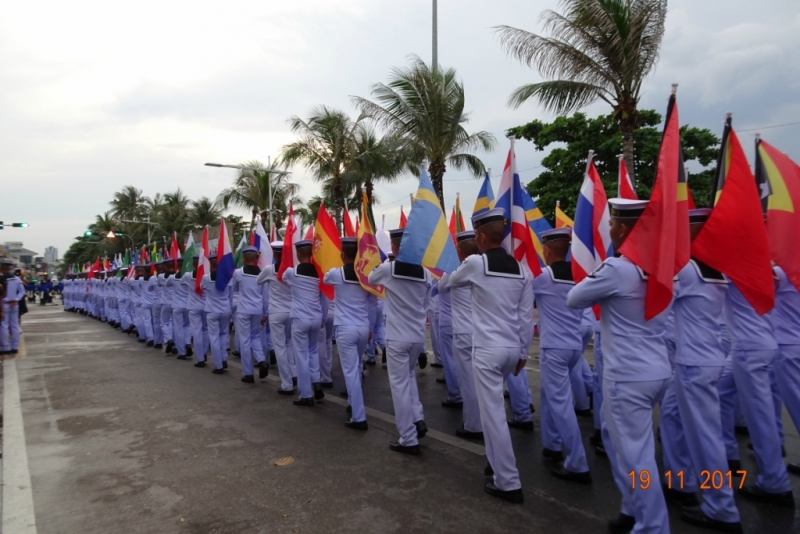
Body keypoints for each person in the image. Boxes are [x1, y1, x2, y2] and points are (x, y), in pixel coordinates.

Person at [567, 198, 672, 534]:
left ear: (623, 228)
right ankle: (631, 507)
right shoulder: (662, 266)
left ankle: (653, 526)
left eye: (611, 223)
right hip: (656, 368)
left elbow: (575, 299)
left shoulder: (618, 268)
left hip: (627, 375)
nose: (608, 228)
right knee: (615, 439)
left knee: (637, 455)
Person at [657, 208, 743, 532]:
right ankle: (680, 482)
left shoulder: (689, 271)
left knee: (706, 438)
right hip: (702, 360)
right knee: (670, 416)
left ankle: (722, 507)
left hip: (694, 363)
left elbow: (660, 299)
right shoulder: (717, 270)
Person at [448, 209, 533, 503]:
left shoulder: (475, 263)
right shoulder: (523, 269)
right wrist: (522, 351)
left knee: (494, 416)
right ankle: (495, 465)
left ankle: (508, 481)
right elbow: (525, 318)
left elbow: (448, 283)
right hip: (512, 349)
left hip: (487, 349)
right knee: (494, 414)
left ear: (481, 237)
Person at [533, 227, 591, 484]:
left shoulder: (544, 278)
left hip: (554, 347)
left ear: (546, 250)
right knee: (548, 396)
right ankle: (552, 444)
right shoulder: (579, 277)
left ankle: (578, 462)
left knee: (560, 403)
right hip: (574, 346)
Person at [368, 228, 432, 455]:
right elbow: (426, 303)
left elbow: (371, 278)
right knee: (409, 377)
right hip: (416, 336)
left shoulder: (389, 269)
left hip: (397, 336)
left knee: (399, 386)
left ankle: (408, 437)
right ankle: (418, 418)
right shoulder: (425, 273)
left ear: (394, 248)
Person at [323, 237, 376, 430]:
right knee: (358, 367)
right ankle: (354, 404)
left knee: (351, 372)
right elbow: (372, 304)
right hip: (363, 327)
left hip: (346, 328)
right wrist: (371, 327)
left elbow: (325, 279)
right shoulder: (366, 276)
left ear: (342, 254)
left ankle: (359, 417)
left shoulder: (336, 274)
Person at [439, 230, 483, 440]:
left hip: (464, 332)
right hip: (483, 331)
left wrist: (451, 263)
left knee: (468, 382)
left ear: (459, 250)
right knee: (482, 382)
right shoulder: (485, 267)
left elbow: (441, 286)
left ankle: (474, 425)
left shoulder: (457, 269)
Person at [282, 240, 328, 406]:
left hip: (300, 318)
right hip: (316, 317)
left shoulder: (292, 273)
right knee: (313, 351)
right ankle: (316, 382)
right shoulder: (320, 274)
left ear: (298, 254)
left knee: (301, 356)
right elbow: (325, 299)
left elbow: (282, 275)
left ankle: (306, 394)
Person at [257, 241, 297, 395]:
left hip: (276, 312)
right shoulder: (292, 270)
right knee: (289, 345)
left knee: (279, 347)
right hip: (291, 311)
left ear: (274, 253)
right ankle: (293, 374)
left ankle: (286, 384)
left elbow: (258, 281)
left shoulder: (269, 270)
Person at [773, 265, 800, 475]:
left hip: (786, 345)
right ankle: (774, 441)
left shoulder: (783, 273)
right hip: (791, 342)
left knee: (796, 403)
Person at [232, 246, 269, 383]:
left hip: (243, 310)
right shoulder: (261, 273)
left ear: (244, 259)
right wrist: (265, 313)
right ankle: (261, 360)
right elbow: (265, 296)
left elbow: (233, 291)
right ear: (256, 259)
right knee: (255, 337)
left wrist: (231, 309)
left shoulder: (238, 273)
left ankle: (248, 373)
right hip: (258, 309)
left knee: (245, 340)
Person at [201, 255, 232, 375]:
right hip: (224, 310)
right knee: (223, 335)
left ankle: (218, 365)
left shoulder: (205, 278)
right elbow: (229, 293)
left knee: (214, 337)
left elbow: (202, 288)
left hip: (212, 310)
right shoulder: (226, 277)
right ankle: (224, 359)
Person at [184, 256, 209, 367]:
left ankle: (200, 359)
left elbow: (181, 283)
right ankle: (203, 353)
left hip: (193, 307)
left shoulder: (187, 276)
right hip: (205, 306)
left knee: (197, 332)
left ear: (193, 264)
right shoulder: (206, 277)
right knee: (205, 330)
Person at [0, 259, 24, 355]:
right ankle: (14, 347)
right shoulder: (17, 279)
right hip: (14, 304)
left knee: (3, 326)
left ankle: (5, 347)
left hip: (3, 304)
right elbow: (22, 292)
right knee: (14, 325)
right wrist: (16, 299)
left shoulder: (1, 279)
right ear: (10, 267)